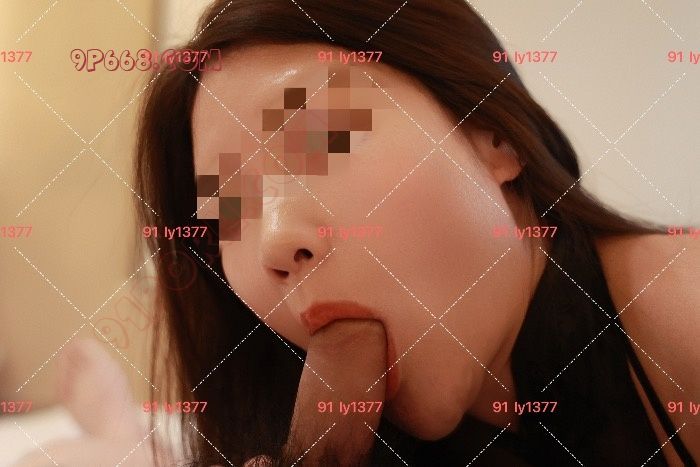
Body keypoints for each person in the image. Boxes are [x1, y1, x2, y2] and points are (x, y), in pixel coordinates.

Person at [16, 0, 699, 466]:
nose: (273, 241)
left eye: (322, 137)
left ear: (494, 135)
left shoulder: (680, 307)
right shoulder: (285, 392)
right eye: (227, 208)